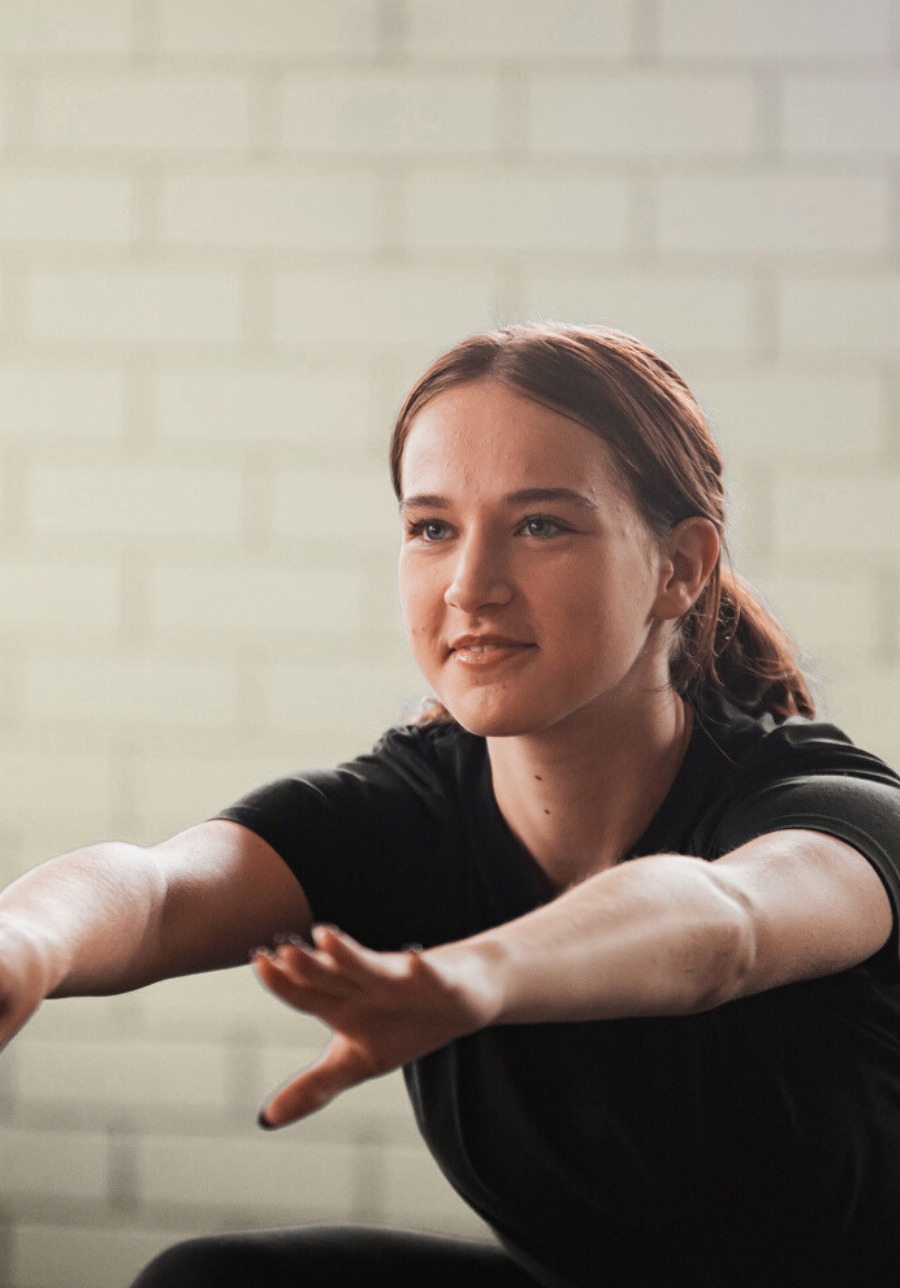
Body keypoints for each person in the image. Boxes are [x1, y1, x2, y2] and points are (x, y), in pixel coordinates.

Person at [1, 323, 900, 1288]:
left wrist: (477, 975)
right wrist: (24, 945)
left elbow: (725, 925)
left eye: (540, 525)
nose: (470, 586)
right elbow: (158, 895)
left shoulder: (828, 809)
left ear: (679, 566)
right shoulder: (408, 812)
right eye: (432, 528)